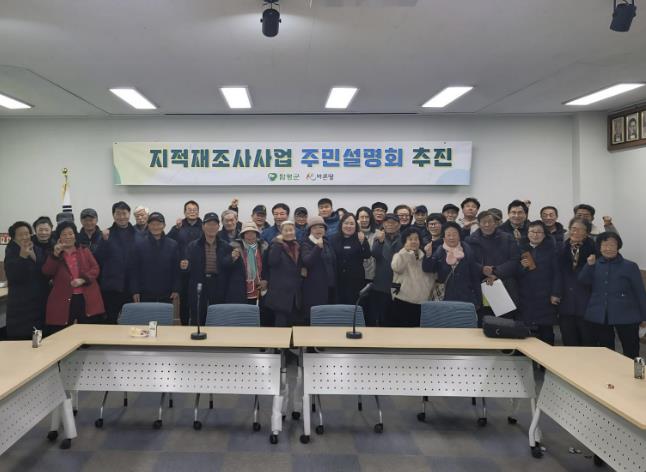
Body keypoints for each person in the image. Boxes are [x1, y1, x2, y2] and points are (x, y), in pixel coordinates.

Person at [579, 232, 646, 359]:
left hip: (627, 315)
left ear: (618, 246)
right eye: (604, 245)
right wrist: (589, 265)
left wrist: (644, 316)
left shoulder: (630, 266)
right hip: (601, 315)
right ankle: (608, 371)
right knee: (606, 352)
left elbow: (640, 292)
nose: (608, 248)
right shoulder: (594, 264)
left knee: (632, 351)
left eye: (612, 245)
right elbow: (583, 281)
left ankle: (637, 371)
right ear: (599, 247)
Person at [42, 221, 104, 333]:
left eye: (70, 233)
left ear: (75, 235)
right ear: (59, 237)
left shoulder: (84, 250)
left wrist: (83, 279)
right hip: (64, 298)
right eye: (64, 234)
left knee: (88, 331)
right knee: (63, 333)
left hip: (86, 297)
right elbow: (47, 272)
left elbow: (95, 268)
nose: (68, 237)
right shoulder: (54, 253)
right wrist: (55, 255)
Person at [466, 211, 521, 326]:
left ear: (495, 223)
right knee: (482, 322)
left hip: (504, 285)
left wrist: (495, 272)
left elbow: (515, 260)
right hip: (480, 286)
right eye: (483, 222)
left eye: (489, 222)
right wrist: (482, 269)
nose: (487, 225)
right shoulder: (470, 240)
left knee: (505, 323)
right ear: (479, 224)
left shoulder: (507, 238)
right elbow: (468, 261)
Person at [517, 221, 561, 345]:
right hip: (525, 295)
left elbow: (557, 274)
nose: (535, 235)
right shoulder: (520, 249)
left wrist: (556, 293)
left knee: (546, 330)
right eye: (532, 232)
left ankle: (547, 356)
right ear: (527, 233)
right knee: (526, 331)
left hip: (545, 295)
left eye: (539, 232)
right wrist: (522, 267)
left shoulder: (552, 250)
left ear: (544, 234)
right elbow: (514, 273)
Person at [94, 201, 137, 324]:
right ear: (113, 215)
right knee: (110, 321)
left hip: (131, 288)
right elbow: (97, 258)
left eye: (124, 213)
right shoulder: (106, 234)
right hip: (111, 287)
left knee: (131, 322)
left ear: (129, 214)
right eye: (118, 213)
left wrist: (137, 288)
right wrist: (104, 241)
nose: (121, 217)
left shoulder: (137, 234)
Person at [4, 221, 48, 340]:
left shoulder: (36, 249)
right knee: (21, 340)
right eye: (20, 235)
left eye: (27, 233)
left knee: (38, 340)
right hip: (21, 306)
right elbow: (13, 276)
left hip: (38, 303)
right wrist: (22, 256)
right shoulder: (11, 251)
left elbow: (44, 270)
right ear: (14, 237)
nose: (25, 237)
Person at [423, 221, 481, 308]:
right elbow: (428, 269)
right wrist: (428, 255)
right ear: (444, 237)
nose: (451, 237)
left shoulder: (468, 251)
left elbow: (475, 276)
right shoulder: (439, 251)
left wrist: (478, 299)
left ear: (459, 236)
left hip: (466, 297)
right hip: (445, 297)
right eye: (448, 235)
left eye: (454, 234)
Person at [183, 212, 228, 325]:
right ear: (203, 226)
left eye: (214, 224)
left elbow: (227, 267)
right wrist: (185, 267)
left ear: (218, 227)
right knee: (198, 314)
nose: (211, 227)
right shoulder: (193, 245)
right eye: (209, 224)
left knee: (217, 314)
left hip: (218, 283)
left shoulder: (225, 246)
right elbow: (187, 268)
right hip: (199, 283)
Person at [557, 218, 595, 347]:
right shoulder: (561, 248)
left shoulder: (594, 249)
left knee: (588, 341)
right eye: (573, 229)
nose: (575, 232)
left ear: (587, 232)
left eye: (580, 230)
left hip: (586, 301)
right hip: (565, 301)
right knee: (569, 340)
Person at [129, 212, 180, 304]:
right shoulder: (139, 245)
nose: (155, 227)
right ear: (148, 225)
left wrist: (176, 289)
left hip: (167, 293)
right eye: (152, 224)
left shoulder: (173, 245)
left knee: (165, 313)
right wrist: (135, 291)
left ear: (164, 225)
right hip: (145, 293)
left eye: (158, 224)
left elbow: (176, 269)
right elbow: (134, 270)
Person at [390, 227, 435, 327]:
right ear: (404, 242)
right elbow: (396, 268)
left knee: (417, 332)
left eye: (416, 239)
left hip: (422, 302)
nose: (414, 241)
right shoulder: (399, 255)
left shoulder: (424, 257)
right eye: (410, 239)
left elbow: (431, 277)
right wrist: (405, 253)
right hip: (403, 300)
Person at [168, 200, 203, 325]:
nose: (192, 212)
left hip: (199, 270)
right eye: (189, 209)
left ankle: (197, 326)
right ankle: (183, 328)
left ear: (198, 212)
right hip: (182, 271)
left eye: (195, 210)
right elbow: (167, 242)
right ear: (184, 212)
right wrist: (175, 229)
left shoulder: (204, 226)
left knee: (198, 301)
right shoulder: (178, 227)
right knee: (183, 302)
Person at [264, 221, 303, 327]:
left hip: (295, 293)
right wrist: (278, 243)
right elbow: (272, 261)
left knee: (295, 325)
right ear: (281, 232)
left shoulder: (298, 245)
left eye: (291, 230)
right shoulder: (274, 245)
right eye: (286, 230)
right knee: (281, 326)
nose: (289, 233)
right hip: (280, 293)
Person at [329, 213, 372, 306]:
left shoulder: (360, 237)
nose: (349, 226)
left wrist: (362, 242)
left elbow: (367, 255)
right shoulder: (333, 238)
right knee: (338, 305)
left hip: (355, 280)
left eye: (352, 223)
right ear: (341, 224)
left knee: (354, 305)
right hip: (338, 279)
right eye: (346, 223)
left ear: (356, 226)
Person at [300, 216, 337, 324]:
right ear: (310, 230)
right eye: (315, 227)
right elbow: (307, 261)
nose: (318, 230)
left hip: (329, 287)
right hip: (314, 289)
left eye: (321, 227)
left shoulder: (327, 242)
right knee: (315, 318)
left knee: (327, 318)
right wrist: (317, 248)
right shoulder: (306, 243)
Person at [224, 221, 269, 305]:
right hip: (240, 291)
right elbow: (224, 265)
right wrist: (232, 258)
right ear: (242, 235)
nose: (250, 236)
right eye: (247, 233)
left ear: (257, 234)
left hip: (260, 291)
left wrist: (266, 280)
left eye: (253, 233)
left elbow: (268, 267)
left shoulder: (264, 247)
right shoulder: (233, 247)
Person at [370, 213, 402, 326]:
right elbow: (375, 254)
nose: (390, 225)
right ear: (383, 224)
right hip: (381, 285)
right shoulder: (379, 238)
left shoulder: (404, 239)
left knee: (398, 318)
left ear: (399, 225)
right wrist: (380, 242)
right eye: (387, 222)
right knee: (382, 319)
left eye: (393, 222)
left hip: (400, 285)